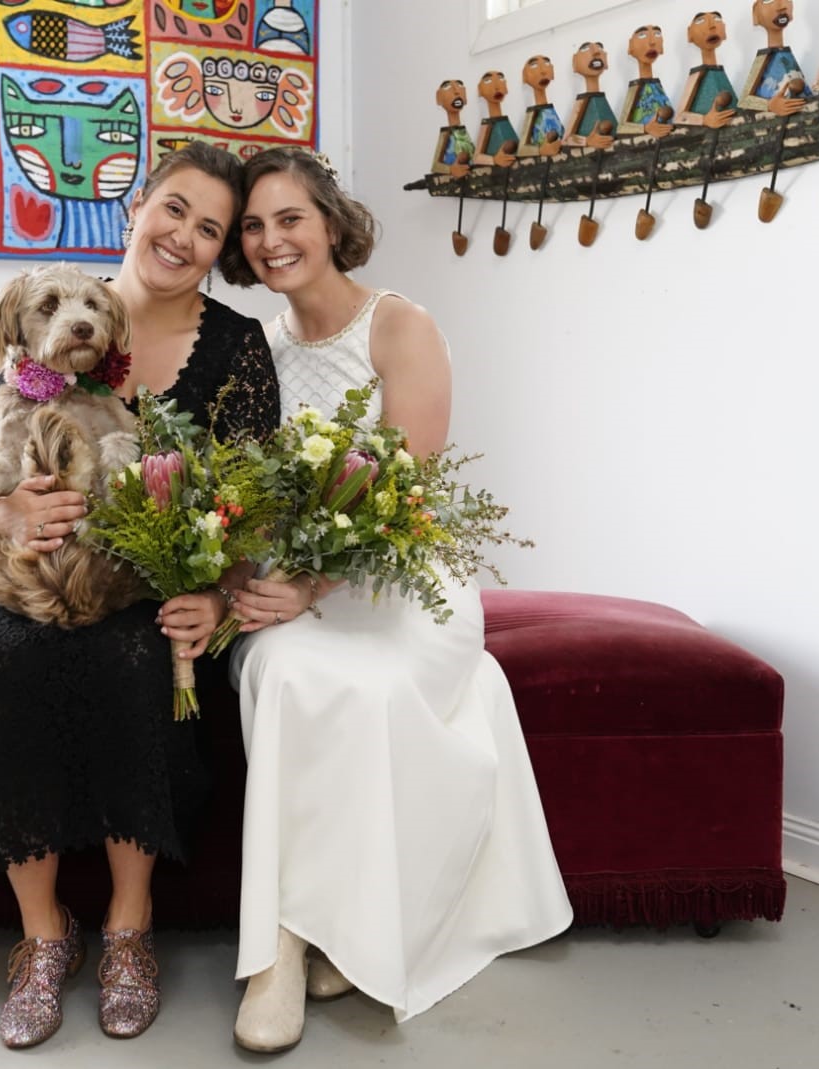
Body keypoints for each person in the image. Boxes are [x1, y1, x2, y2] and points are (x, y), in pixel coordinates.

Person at [0, 140, 279, 1050]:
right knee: (2, 669)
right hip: (21, 558)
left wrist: (217, 594)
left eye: (210, 227)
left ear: (222, 250)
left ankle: (129, 927)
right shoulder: (46, 309)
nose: (183, 235)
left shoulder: (237, 347)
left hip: (150, 569)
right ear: (139, 206)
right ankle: (43, 935)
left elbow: (250, 495)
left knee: (137, 665)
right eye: (173, 208)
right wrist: (9, 504)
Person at [218, 147, 574, 1052]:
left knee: (371, 686)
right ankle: (283, 951)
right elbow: (241, 495)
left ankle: (344, 934)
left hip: (407, 584)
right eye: (254, 226)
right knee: (288, 672)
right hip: (295, 587)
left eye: (289, 218)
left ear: (332, 223)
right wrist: (245, 582)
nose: (270, 241)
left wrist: (308, 583)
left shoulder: (399, 326)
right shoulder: (252, 350)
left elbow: (398, 492)